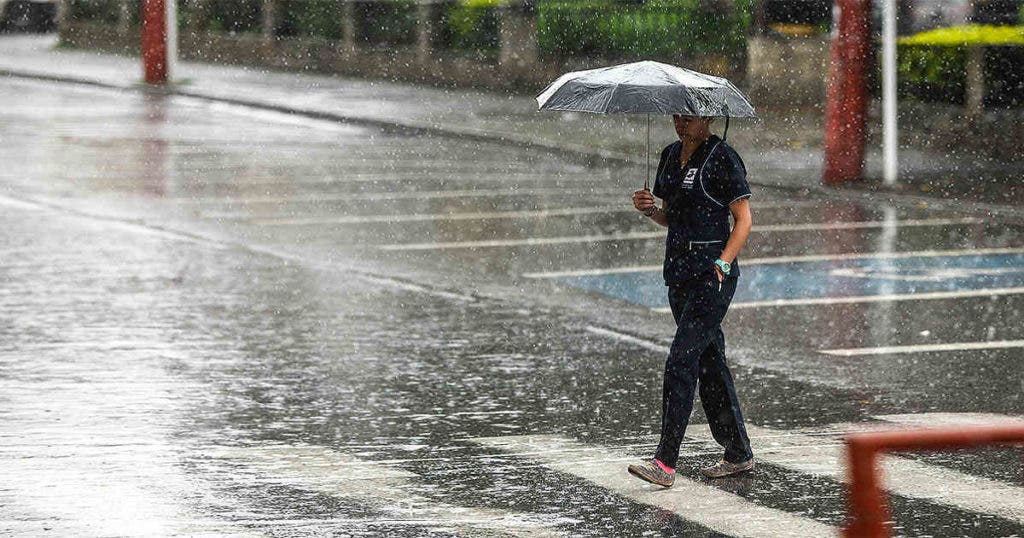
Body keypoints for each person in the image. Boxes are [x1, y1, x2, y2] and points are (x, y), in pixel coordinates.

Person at [626, 114, 754, 488]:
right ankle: (738, 452)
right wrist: (650, 209)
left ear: (709, 117)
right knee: (711, 362)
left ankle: (665, 462)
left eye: (690, 118)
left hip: (711, 277)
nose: (682, 124)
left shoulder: (722, 157)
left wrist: (722, 263)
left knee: (681, 360)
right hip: (679, 274)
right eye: (677, 117)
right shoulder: (668, 155)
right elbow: (675, 218)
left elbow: (743, 220)